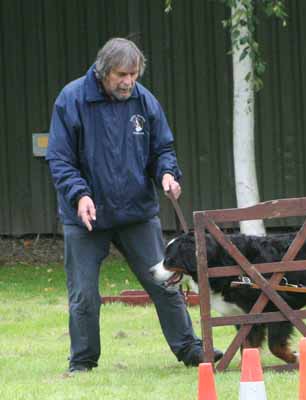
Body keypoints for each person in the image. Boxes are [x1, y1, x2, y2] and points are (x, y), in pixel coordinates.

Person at [46, 37, 221, 373]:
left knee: (165, 283)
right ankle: (82, 363)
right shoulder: (71, 100)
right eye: (121, 75)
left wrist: (167, 174)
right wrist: (80, 194)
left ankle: (191, 351)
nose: (128, 82)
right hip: (86, 217)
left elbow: (162, 150)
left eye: (134, 74)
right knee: (83, 295)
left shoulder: (144, 101)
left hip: (137, 214)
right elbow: (59, 158)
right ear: (102, 72)